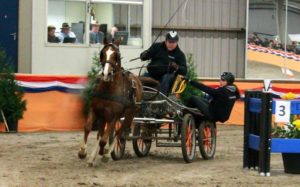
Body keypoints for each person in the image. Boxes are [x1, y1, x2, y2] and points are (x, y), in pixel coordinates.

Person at [140, 31, 187, 95]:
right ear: (165, 41)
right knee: (140, 80)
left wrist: (177, 67)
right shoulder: (156, 47)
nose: (171, 44)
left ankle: (161, 97)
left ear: (177, 42)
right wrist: (144, 55)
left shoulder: (179, 54)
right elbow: (144, 56)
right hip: (151, 74)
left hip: (166, 77)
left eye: (173, 42)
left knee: (166, 78)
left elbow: (184, 70)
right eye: (169, 42)